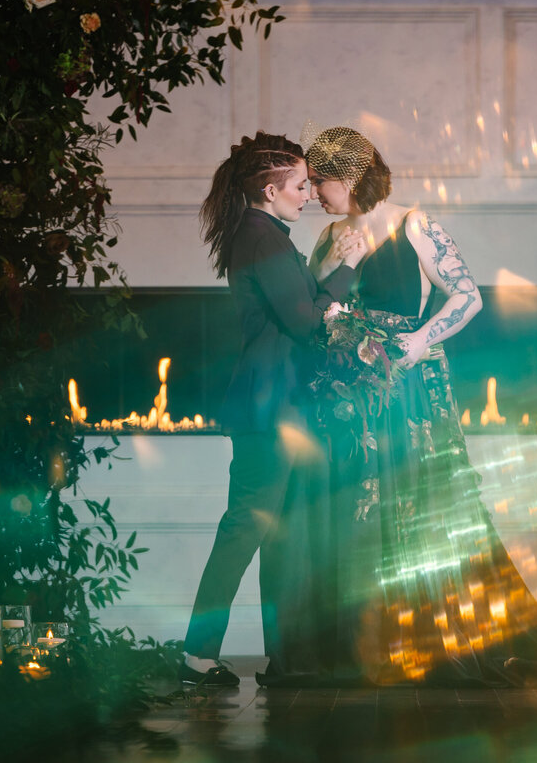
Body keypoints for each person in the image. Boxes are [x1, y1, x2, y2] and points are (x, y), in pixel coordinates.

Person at [304, 126, 537, 687]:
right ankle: (365, 643)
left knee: (415, 492)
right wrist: (329, 268)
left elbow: (468, 295)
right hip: (351, 390)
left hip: (408, 380)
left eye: (319, 181)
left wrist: (422, 340)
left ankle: (425, 636)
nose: (312, 191)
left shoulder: (413, 224)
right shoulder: (329, 235)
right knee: (359, 499)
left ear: (347, 178)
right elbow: (310, 304)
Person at [182, 132, 366, 686]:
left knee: (274, 532)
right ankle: (196, 655)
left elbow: (301, 305)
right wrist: (350, 269)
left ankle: (290, 657)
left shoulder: (264, 235)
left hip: (277, 402)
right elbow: (309, 323)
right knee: (244, 528)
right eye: (300, 185)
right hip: (271, 406)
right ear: (270, 189)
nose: (308, 194)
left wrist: (331, 269)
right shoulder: (264, 239)